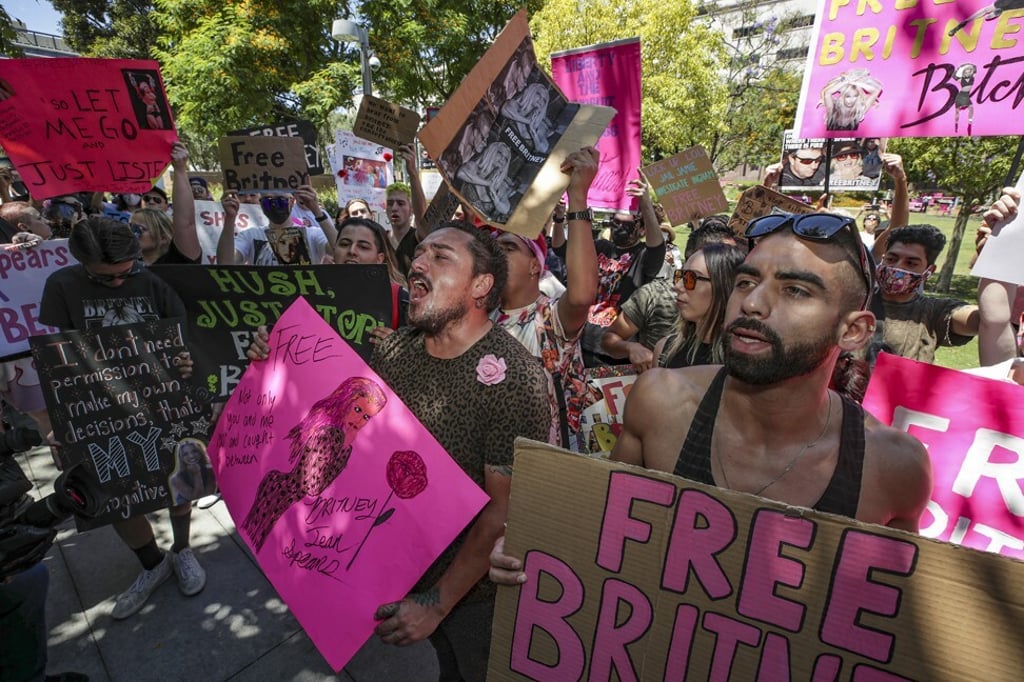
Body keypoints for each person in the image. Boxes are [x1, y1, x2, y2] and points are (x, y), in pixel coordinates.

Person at [491, 212, 933, 586]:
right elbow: (601, 525)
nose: (754, 304)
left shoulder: (894, 467)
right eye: (745, 282)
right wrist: (533, 542)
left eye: (796, 290)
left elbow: (886, 622)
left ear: (853, 330)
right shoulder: (660, 400)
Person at [250, 223, 550, 679]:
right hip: (398, 564)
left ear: (481, 285)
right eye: (420, 253)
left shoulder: (514, 381)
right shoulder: (396, 351)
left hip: (471, 592)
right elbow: (334, 421)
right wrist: (271, 361)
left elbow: (501, 515)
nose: (418, 262)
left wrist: (437, 604)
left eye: (441, 256)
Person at [39, 217, 206, 619]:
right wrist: (57, 423)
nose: (117, 283)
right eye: (104, 278)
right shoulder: (61, 286)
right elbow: (58, 358)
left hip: (164, 402)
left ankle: (182, 551)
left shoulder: (154, 285)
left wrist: (187, 363)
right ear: (79, 262)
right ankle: (152, 564)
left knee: (178, 481)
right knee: (116, 496)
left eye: (124, 273)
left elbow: (186, 342)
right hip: (98, 410)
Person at [491, 147, 600, 451]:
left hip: (541, 464)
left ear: (535, 265)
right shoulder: (479, 318)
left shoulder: (548, 318)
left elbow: (580, 297)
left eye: (509, 248)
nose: (498, 255)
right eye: (494, 248)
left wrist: (577, 198)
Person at [241, 377, 387, 553]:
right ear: (345, 402)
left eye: (366, 417)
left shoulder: (337, 435)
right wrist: (344, 446)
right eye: (357, 409)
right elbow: (312, 486)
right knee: (258, 542)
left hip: (280, 492)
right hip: (281, 499)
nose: (359, 420)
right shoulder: (332, 434)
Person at [559, 176, 665, 366]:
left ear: (641, 229)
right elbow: (562, 249)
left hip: (612, 351)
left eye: (626, 225)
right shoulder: (600, 246)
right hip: (579, 341)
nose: (618, 228)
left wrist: (645, 203)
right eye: (614, 223)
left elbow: (657, 248)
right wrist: (559, 219)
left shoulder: (642, 257)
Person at [871, 225, 979, 364]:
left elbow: (984, 320)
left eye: (910, 263)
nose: (898, 267)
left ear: (929, 271)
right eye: (892, 259)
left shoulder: (934, 312)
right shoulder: (856, 301)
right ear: (883, 259)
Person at [653, 242, 747, 368]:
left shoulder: (746, 363)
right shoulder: (664, 351)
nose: (677, 287)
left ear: (724, 286)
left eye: (691, 278)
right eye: (680, 275)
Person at [218, 185, 334, 266]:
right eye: (268, 202)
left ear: (292, 201)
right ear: (261, 204)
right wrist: (229, 218)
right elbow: (225, 263)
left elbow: (337, 251)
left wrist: (317, 212)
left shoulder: (312, 234)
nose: (275, 206)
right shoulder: (250, 235)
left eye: (281, 201)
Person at [131, 141, 202, 265]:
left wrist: (179, 169)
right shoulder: (122, 268)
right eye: (130, 227)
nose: (131, 233)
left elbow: (186, 224)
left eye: (139, 229)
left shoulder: (177, 261)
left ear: (163, 238)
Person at [334, 217, 409, 332]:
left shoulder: (401, 300)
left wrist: (396, 344)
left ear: (379, 258)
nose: (352, 251)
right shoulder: (309, 292)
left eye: (363, 247)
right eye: (344, 244)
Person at [819, 69, 883, 130]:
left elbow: (876, 90)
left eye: (855, 96)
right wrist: (846, 81)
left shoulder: (859, 112)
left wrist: (855, 83)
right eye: (848, 96)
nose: (852, 100)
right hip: (832, 141)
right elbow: (827, 92)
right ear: (842, 97)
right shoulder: (832, 109)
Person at [168, 439, 217, 505]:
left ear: (200, 452)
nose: (191, 456)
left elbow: (208, 496)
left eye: (194, 451)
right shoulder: (175, 479)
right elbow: (195, 498)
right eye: (185, 454)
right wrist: (196, 474)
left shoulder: (210, 470)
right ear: (181, 458)